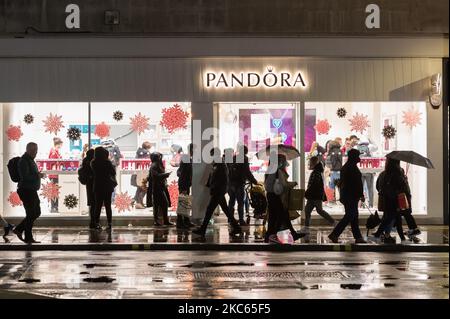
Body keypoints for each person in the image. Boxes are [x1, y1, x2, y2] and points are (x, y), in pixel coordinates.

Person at [193, 148, 241, 237]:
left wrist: (216, 188)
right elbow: (213, 177)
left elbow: (223, 180)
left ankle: (202, 229)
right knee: (225, 210)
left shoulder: (221, 165)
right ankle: (237, 227)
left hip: (218, 191)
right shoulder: (217, 164)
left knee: (209, 210)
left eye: (212, 155)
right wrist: (209, 185)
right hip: (217, 191)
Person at [328, 149, 366, 244]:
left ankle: (358, 237)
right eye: (357, 156)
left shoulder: (348, 166)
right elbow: (355, 183)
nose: (359, 158)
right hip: (351, 196)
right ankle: (335, 234)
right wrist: (360, 194)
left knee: (354, 217)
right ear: (354, 157)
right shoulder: (351, 167)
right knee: (350, 216)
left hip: (348, 195)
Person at [264, 154, 303, 243]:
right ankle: (271, 235)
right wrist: (293, 184)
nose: (282, 162)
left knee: (280, 216)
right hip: (275, 196)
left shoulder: (269, 170)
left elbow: (268, 184)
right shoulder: (276, 171)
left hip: (270, 195)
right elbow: (284, 184)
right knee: (279, 215)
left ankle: (292, 233)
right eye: (281, 161)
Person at [369, 158, 409, 243]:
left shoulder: (384, 173)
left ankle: (403, 239)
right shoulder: (397, 174)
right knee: (390, 218)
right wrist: (405, 180)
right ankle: (377, 235)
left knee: (397, 219)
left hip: (387, 199)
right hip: (395, 199)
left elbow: (378, 186)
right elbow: (402, 188)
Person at [13, 142, 45, 243]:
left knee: (36, 212)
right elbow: (25, 177)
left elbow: (30, 173)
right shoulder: (24, 161)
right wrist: (37, 176)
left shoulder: (30, 160)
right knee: (31, 213)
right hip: (26, 190)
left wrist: (37, 174)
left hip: (31, 190)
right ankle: (27, 236)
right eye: (33, 150)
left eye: (36, 150)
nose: (35, 152)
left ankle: (19, 230)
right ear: (27, 150)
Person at [301, 156, 335, 234]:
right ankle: (306, 227)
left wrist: (306, 193)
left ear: (313, 163)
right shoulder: (318, 171)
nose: (309, 164)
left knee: (318, 210)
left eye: (310, 163)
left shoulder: (316, 172)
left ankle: (333, 222)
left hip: (314, 196)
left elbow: (314, 184)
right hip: (315, 195)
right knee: (308, 210)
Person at [227, 145, 259, 226]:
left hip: (231, 184)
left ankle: (231, 219)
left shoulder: (233, 158)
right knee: (240, 203)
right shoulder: (244, 159)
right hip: (239, 184)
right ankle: (241, 220)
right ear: (246, 152)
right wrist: (254, 181)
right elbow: (247, 172)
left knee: (231, 202)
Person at [91, 147, 117, 230]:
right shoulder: (107, 162)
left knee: (97, 206)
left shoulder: (93, 162)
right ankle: (109, 223)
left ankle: (97, 223)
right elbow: (113, 172)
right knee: (108, 205)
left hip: (97, 185)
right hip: (107, 186)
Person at [150, 152, 173, 227]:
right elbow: (156, 175)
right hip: (157, 187)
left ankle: (162, 220)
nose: (160, 158)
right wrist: (166, 175)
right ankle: (157, 220)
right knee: (160, 204)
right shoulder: (154, 165)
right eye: (159, 156)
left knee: (161, 204)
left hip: (160, 186)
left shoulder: (158, 164)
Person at [176, 143, 195, 228]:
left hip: (185, 183)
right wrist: (184, 185)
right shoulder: (186, 158)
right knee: (182, 202)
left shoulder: (188, 158)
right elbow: (183, 173)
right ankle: (180, 222)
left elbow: (180, 171)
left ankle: (185, 221)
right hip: (184, 184)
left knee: (185, 202)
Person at [80, 149, 98, 229]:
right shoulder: (93, 162)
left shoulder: (85, 161)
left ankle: (92, 221)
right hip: (95, 184)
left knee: (91, 203)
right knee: (96, 203)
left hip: (88, 184)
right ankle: (94, 221)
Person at [133, 141, 152, 209]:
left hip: (139, 172)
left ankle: (137, 202)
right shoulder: (146, 153)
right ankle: (140, 203)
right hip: (144, 173)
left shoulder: (138, 153)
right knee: (144, 188)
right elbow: (148, 163)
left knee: (139, 188)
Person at [48, 137, 63, 213]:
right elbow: (52, 163)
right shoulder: (54, 152)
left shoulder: (56, 151)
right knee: (54, 191)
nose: (61, 146)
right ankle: (53, 207)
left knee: (55, 190)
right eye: (61, 144)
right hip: (54, 174)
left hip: (55, 174)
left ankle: (55, 206)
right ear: (58, 144)